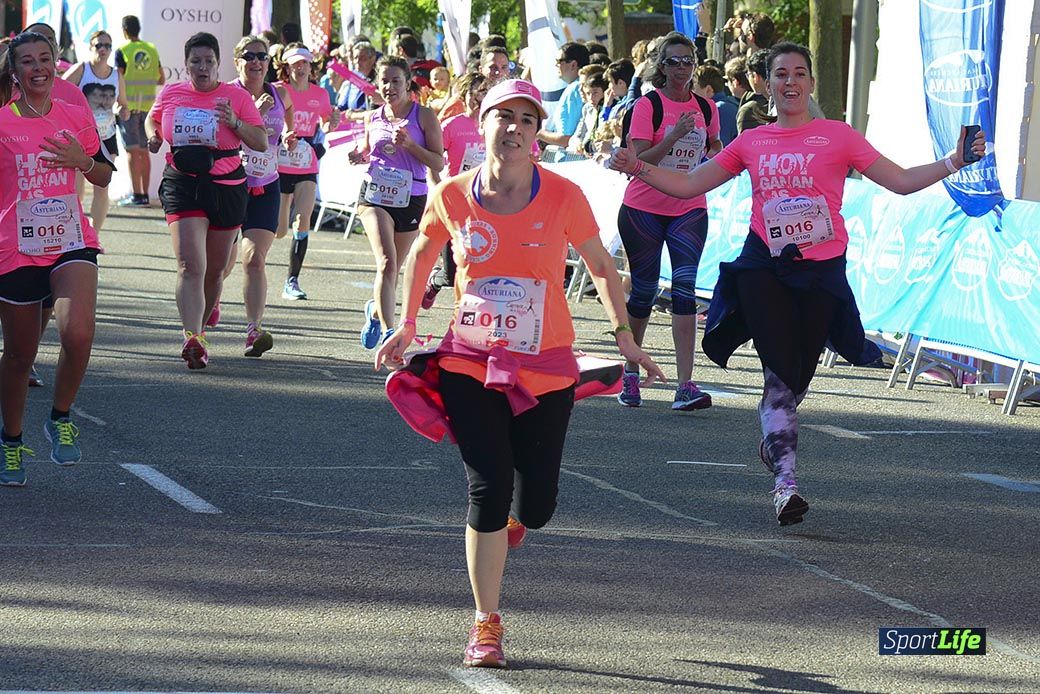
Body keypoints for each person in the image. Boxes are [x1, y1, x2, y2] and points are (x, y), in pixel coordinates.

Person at [609, 42, 987, 525]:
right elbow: (688, 185)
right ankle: (786, 484)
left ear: (811, 83)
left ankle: (774, 440)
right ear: (767, 84)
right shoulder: (752, 141)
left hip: (821, 272)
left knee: (796, 382)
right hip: (765, 267)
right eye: (780, 74)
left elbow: (900, 181)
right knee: (779, 373)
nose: (790, 82)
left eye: (799, 73)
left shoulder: (839, 136)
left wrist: (954, 161)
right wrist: (637, 166)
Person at [375, 78, 665, 668]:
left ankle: (515, 519)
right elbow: (422, 256)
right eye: (501, 116)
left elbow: (603, 268)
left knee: (535, 506)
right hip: (468, 358)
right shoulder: (452, 195)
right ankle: (486, 623)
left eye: (526, 120)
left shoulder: (562, 195)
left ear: (537, 134)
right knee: (487, 482)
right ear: (480, 124)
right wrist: (405, 325)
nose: (513, 128)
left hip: (546, 363)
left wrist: (625, 338)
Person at [0, 31, 114, 484]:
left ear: (55, 63)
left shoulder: (73, 113)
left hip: (70, 239)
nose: (38, 67)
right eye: (27, 61)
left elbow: (104, 174)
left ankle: (59, 416)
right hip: (16, 247)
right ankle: (10, 441)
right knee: (20, 356)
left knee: (80, 331)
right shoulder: (2, 122)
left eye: (45, 58)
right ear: (15, 71)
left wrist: (81, 161)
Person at [146, 32, 268, 369]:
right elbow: (153, 118)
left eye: (209, 61)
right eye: (196, 62)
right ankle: (192, 337)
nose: (203, 67)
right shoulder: (172, 93)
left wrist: (234, 122)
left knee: (213, 272)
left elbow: (259, 141)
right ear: (186, 66)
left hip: (227, 185)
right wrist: (153, 135)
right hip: (183, 183)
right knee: (189, 265)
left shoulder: (236, 96)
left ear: (218, 64)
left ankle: (201, 330)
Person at [615, 32, 721, 411]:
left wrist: (717, 157)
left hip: (689, 208)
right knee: (643, 290)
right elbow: (641, 161)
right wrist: (675, 135)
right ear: (661, 66)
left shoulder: (707, 108)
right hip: (643, 209)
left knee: (685, 289)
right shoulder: (648, 106)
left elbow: (713, 148)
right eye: (674, 61)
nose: (682, 68)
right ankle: (631, 372)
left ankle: (685, 384)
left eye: (688, 61)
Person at [348, 56, 443, 349]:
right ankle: (391, 333)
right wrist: (358, 156)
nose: (389, 87)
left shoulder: (424, 116)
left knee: (392, 270)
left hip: (410, 197)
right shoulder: (372, 116)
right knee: (387, 263)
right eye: (384, 81)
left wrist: (411, 146)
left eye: (395, 81)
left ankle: (375, 312)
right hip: (374, 195)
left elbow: (439, 161)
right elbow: (367, 151)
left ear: (407, 83)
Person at [222, 35, 296, 356]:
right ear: (237, 61)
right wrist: (251, 110)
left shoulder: (279, 93)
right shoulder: (227, 93)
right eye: (249, 56)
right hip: (228, 185)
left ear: (269, 62)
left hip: (266, 185)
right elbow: (219, 133)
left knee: (254, 259)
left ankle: (254, 330)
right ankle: (211, 301)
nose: (256, 62)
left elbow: (289, 115)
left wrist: (291, 134)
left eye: (262, 57)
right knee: (222, 263)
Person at [274, 44, 339, 301]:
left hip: (307, 164)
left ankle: (292, 281)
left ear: (311, 67)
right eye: (295, 64)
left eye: (304, 63)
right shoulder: (280, 91)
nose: (300, 68)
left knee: (302, 220)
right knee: (278, 230)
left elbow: (324, 123)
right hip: (280, 166)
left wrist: (330, 123)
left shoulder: (320, 94)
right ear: (286, 67)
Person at [422, 71, 489, 308]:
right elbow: (433, 159)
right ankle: (436, 281)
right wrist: (439, 187)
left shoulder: (494, 125)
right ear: (465, 95)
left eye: (485, 92)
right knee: (451, 273)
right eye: (475, 92)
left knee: (482, 259)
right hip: (455, 199)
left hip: (485, 200)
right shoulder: (452, 125)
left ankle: (475, 310)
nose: (479, 98)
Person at [63, 30, 129, 231]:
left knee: (102, 186)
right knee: (76, 188)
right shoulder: (82, 69)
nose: (103, 49)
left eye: (107, 46)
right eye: (99, 45)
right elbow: (58, 91)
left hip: (106, 136)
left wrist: (123, 111)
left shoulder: (117, 74)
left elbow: (123, 104)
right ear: (90, 47)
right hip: (80, 136)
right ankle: (75, 230)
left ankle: (94, 236)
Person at [114, 15, 164, 207]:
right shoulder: (151, 50)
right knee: (144, 152)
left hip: (129, 107)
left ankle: (137, 195)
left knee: (132, 152)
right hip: (148, 108)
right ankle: (144, 194)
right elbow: (161, 79)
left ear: (124, 30)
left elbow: (118, 79)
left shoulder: (123, 50)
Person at [536, 42, 590, 146]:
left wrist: (539, 133)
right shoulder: (579, 87)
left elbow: (565, 138)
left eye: (559, 61)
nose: (556, 65)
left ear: (573, 65)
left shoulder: (575, 89)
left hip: (568, 159)